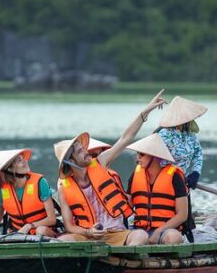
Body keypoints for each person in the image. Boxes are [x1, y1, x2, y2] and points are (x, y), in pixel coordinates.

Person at [54, 90, 166, 246]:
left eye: (84, 149)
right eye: (81, 151)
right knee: (62, 240)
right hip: (88, 236)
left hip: (116, 233)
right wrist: (88, 232)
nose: (87, 152)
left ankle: (125, 261)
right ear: (71, 161)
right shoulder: (63, 187)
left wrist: (145, 112)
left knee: (140, 236)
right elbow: (69, 226)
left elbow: (125, 138)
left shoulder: (100, 162)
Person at [0, 149, 65, 241]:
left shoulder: (40, 182)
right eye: (19, 160)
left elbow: (52, 219)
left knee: (41, 231)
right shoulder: (1, 189)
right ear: (9, 169)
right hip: (17, 235)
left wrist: (29, 226)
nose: (25, 161)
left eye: (23, 158)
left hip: (42, 232)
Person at [156, 96, 208, 241]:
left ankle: (187, 240)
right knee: (170, 217)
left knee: (186, 221)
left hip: (184, 184)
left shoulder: (190, 136)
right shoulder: (163, 136)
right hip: (166, 185)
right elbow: (155, 160)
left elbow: (198, 153)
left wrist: (195, 172)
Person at [126, 133, 188, 244]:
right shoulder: (135, 175)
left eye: (142, 154)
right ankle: (131, 255)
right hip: (139, 230)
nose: (138, 157)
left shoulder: (175, 176)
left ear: (154, 156)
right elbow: (126, 207)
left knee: (174, 237)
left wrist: (159, 231)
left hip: (165, 231)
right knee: (140, 236)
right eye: (137, 154)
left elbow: (182, 215)